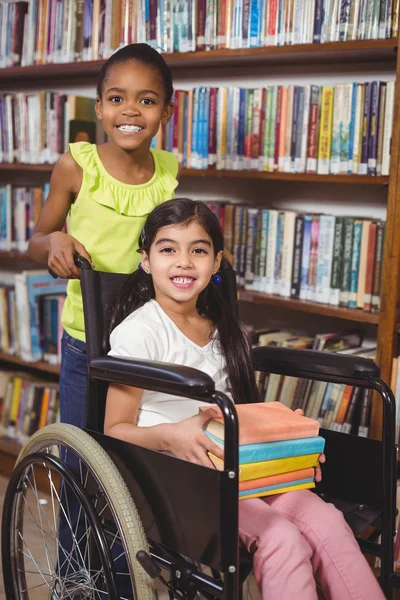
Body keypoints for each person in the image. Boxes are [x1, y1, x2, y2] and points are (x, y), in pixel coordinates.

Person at [104, 198, 384, 600]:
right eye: (168, 249)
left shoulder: (223, 332)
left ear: (216, 262)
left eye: (197, 250)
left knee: (327, 521)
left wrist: (288, 442)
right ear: (146, 260)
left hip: (240, 462)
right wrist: (173, 436)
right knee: (281, 537)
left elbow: (241, 413)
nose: (183, 262)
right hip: (178, 474)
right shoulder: (139, 332)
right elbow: (114, 429)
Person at [28, 42, 178, 430]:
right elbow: (37, 241)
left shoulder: (168, 171)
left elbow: (171, 239)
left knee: (132, 450)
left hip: (147, 337)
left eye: (146, 101)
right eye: (116, 98)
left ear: (166, 113)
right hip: (86, 337)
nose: (130, 110)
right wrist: (56, 241)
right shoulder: (75, 165)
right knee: (84, 449)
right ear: (99, 107)